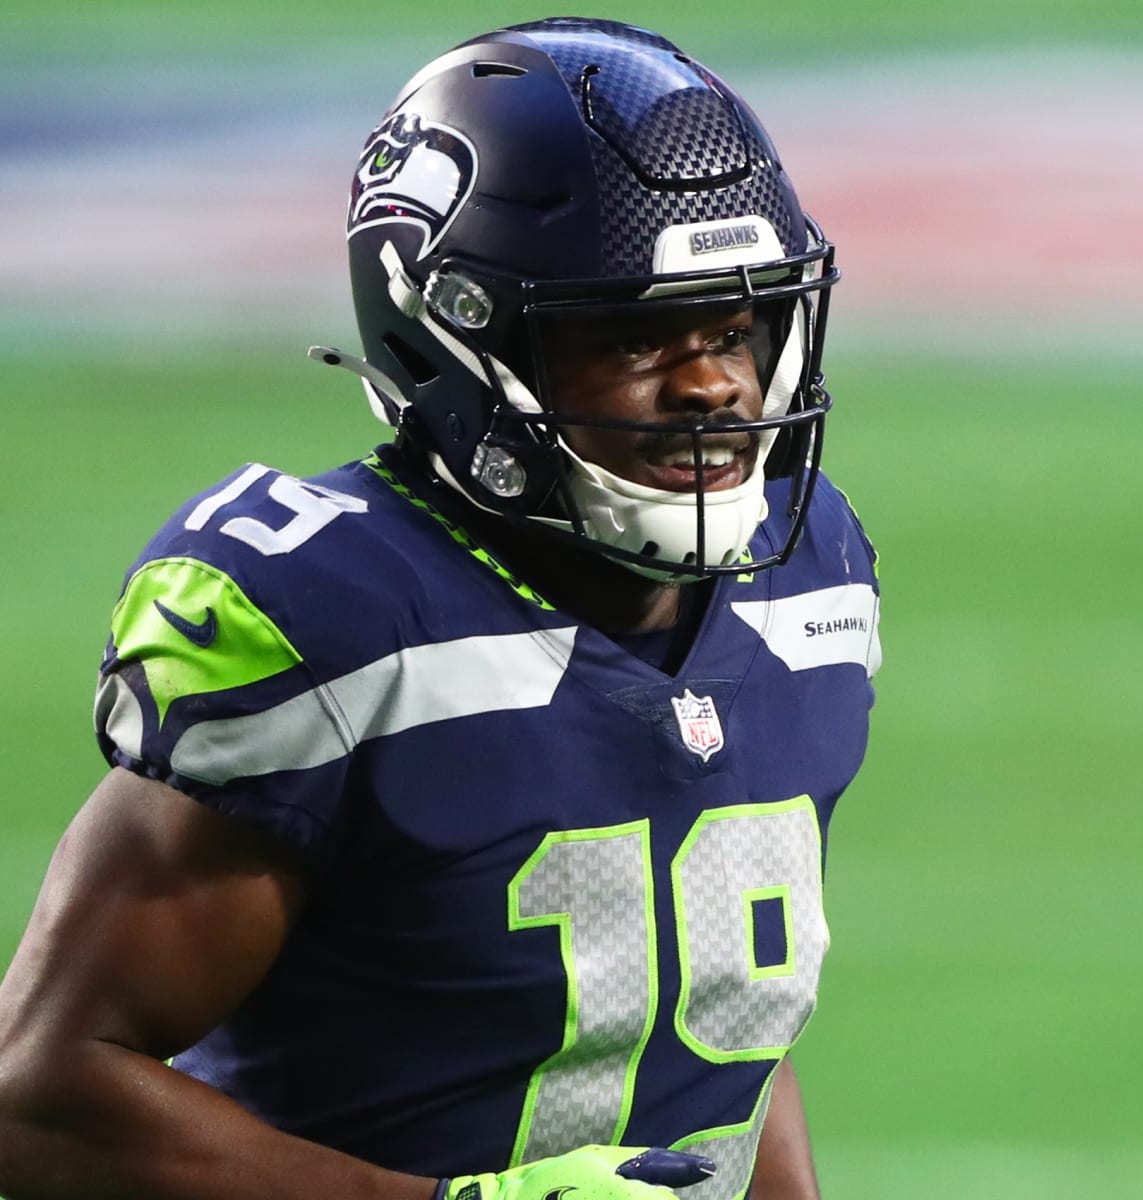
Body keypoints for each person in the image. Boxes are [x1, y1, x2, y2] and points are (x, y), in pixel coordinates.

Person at [0, 16, 880, 1200]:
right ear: (457, 341)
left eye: (733, 328)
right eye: (632, 338)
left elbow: (716, 1040)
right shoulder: (337, 612)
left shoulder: (808, 568)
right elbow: (42, 1098)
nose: (713, 384)